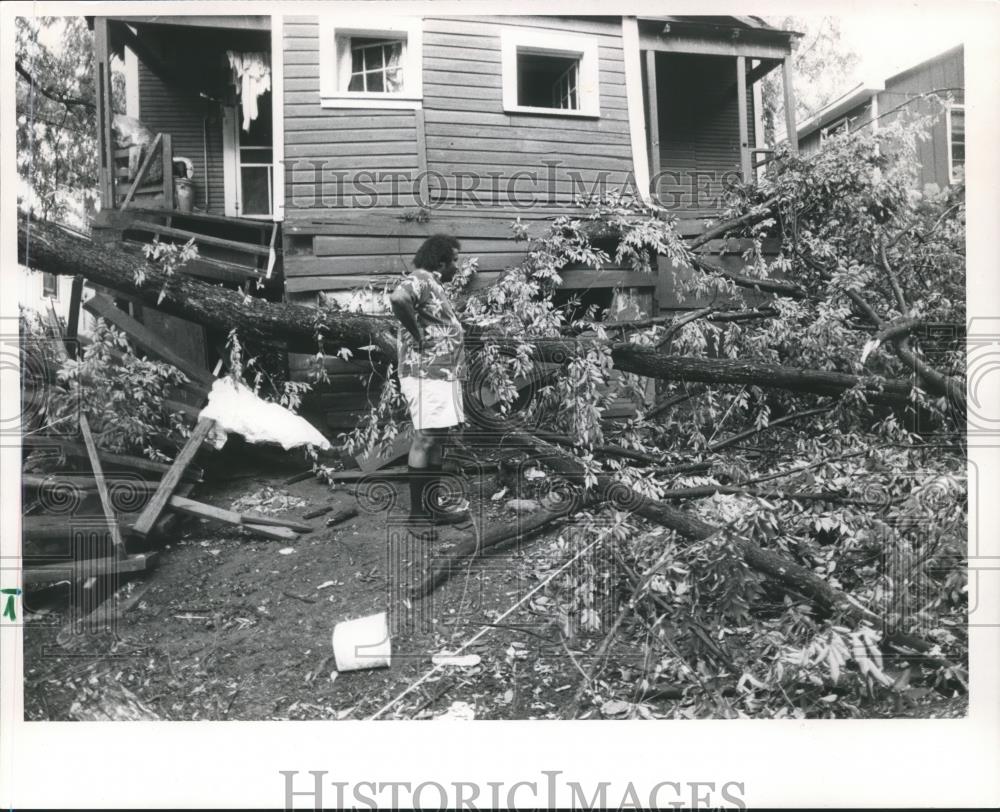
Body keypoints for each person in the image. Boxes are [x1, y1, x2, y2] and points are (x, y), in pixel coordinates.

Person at [389, 234, 471, 526]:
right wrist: (416, 333)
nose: (456, 268)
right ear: (440, 262)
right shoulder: (421, 279)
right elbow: (399, 298)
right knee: (425, 439)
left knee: (437, 438)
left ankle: (431, 507)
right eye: (455, 262)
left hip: (440, 374)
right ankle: (418, 516)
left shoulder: (432, 285)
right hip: (425, 374)